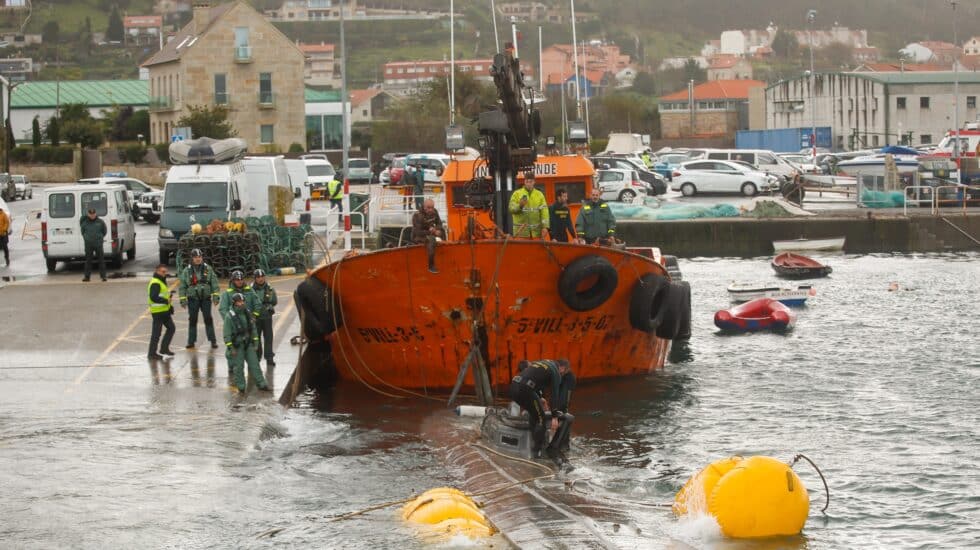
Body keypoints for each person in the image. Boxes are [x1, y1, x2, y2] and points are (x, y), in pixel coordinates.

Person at [509, 359, 576, 464]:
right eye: (564, 372)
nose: (562, 375)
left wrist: (540, 398)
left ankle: (532, 444)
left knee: (534, 414)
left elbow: (533, 379)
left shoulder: (544, 363)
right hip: (525, 390)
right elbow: (554, 396)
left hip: (513, 387)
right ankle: (538, 453)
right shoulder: (556, 372)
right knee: (542, 419)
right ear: (562, 368)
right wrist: (554, 416)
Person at [223, 292, 270, 393]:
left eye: (243, 301)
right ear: (234, 303)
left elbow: (253, 329)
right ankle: (241, 387)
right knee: (239, 368)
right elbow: (226, 335)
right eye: (240, 301)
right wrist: (231, 348)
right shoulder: (229, 317)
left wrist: (256, 342)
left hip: (248, 344)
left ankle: (261, 383)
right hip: (237, 346)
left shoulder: (247, 313)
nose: (242, 303)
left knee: (255, 365)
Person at [178, 248, 220, 350]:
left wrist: (216, 297)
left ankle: (213, 341)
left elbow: (214, 283)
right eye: (196, 257)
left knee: (208, 319)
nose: (198, 259)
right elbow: (182, 286)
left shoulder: (208, 269)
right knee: (192, 320)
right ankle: (191, 342)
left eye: (199, 257)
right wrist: (183, 300)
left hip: (205, 298)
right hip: (193, 299)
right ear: (192, 258)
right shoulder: (186, 271)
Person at [147, 263, 176, 360]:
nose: (164, 274)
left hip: (164, 311)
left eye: (165, 272)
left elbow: (164, 295)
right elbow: (154, 297)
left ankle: (164, 349)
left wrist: (170, 306)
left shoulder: (161, 281)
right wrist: (166, 301)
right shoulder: (155, 282)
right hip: (158, 312)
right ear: (157, 271)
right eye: (163, 272)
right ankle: (151, 354)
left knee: (171, 328)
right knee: (156, 333)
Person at [508, 173, 549, 238]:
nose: (529, 184)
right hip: (520, 233)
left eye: (531, 182)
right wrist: (520, 206)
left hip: (536, 233)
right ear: (524, 182)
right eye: (527, 181)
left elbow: (544, 212)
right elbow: (511, 208)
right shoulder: (517, 194)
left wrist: (545, 227)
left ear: (534, 182)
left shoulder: (540, 195)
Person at [251, 269, 278, 367]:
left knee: (268, 337)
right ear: (255, 279)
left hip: (267, 317)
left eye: (262, 277)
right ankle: (257, 357)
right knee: (256, 338)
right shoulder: (250, 290)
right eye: (258, 277)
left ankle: (269, 357)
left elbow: (274, 301)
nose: (261, 279)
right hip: (255, 317)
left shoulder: (270, 288)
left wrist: (268, 306)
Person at [411, 198, 444, 274]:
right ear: (424, 206)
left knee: (442, 232)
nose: (430, 210)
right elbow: (418, 232)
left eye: (432, 207)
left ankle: (443, 248)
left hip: (431, 231)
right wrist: (431, 232)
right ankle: (431, 265)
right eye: (428, 208)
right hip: (417, 236)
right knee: (431, 240)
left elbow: (439, 223)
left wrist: (437, 229)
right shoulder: (417, 215)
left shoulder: (434, 212)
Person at [80, 207, 107, 282]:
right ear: (88, 214)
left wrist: (100, 238)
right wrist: (86, 238)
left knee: (101, 260)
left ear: (95, 214)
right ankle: (87, 277)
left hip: (98, 244)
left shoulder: (100, 222)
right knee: (88, 261)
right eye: (90, 214)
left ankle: (103, 276)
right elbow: (82, 231)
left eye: (93, 214)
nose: (92, 215)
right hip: (88, 244)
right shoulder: (84, 222)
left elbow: (104, 231)